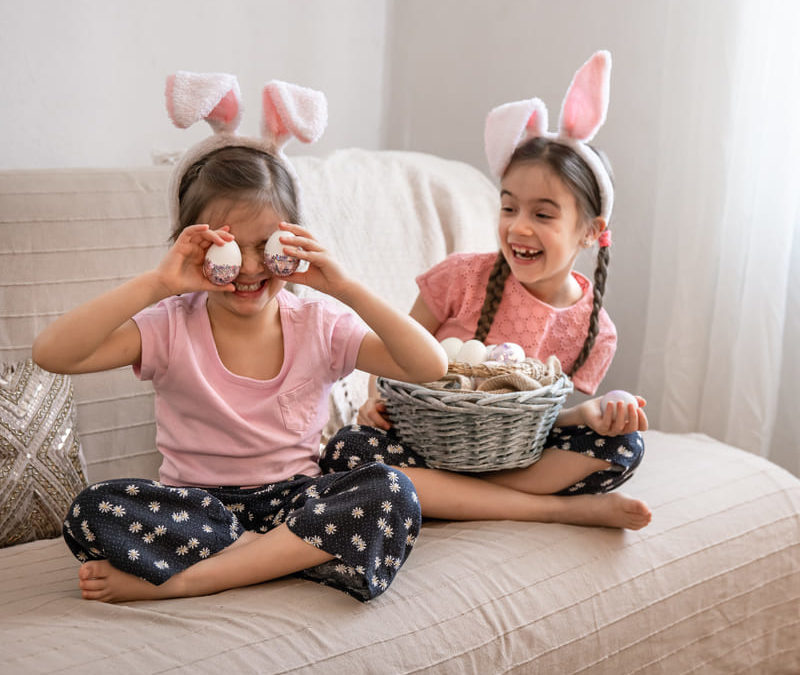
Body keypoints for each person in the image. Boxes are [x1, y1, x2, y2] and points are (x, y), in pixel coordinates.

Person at [31, 74, 448, 604]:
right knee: (92, 511)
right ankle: (284, 557)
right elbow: (53, 354)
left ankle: (193, 579)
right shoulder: (169, 322)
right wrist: (158, 282)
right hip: (197, 509)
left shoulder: (317, 322)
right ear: (190, 244)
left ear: (294, 242)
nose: (249, 268)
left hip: (294, 501)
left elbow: (428, 365)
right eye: (227, 249)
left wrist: (343, 285)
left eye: (265, 246)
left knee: (391, 487)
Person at [321, 51, 652, 531]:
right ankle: (555, 510)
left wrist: (596, 414)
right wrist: (375, 397)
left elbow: (547, 420)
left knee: (624, 446)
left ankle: (452, 499)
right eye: (509, 207)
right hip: (427, 440)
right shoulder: (460, 277)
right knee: (347, 453)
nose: (518, 228)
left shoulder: (595, 329)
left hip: (514, 457)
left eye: (542, 214)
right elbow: (394, 350)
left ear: (589, 231)